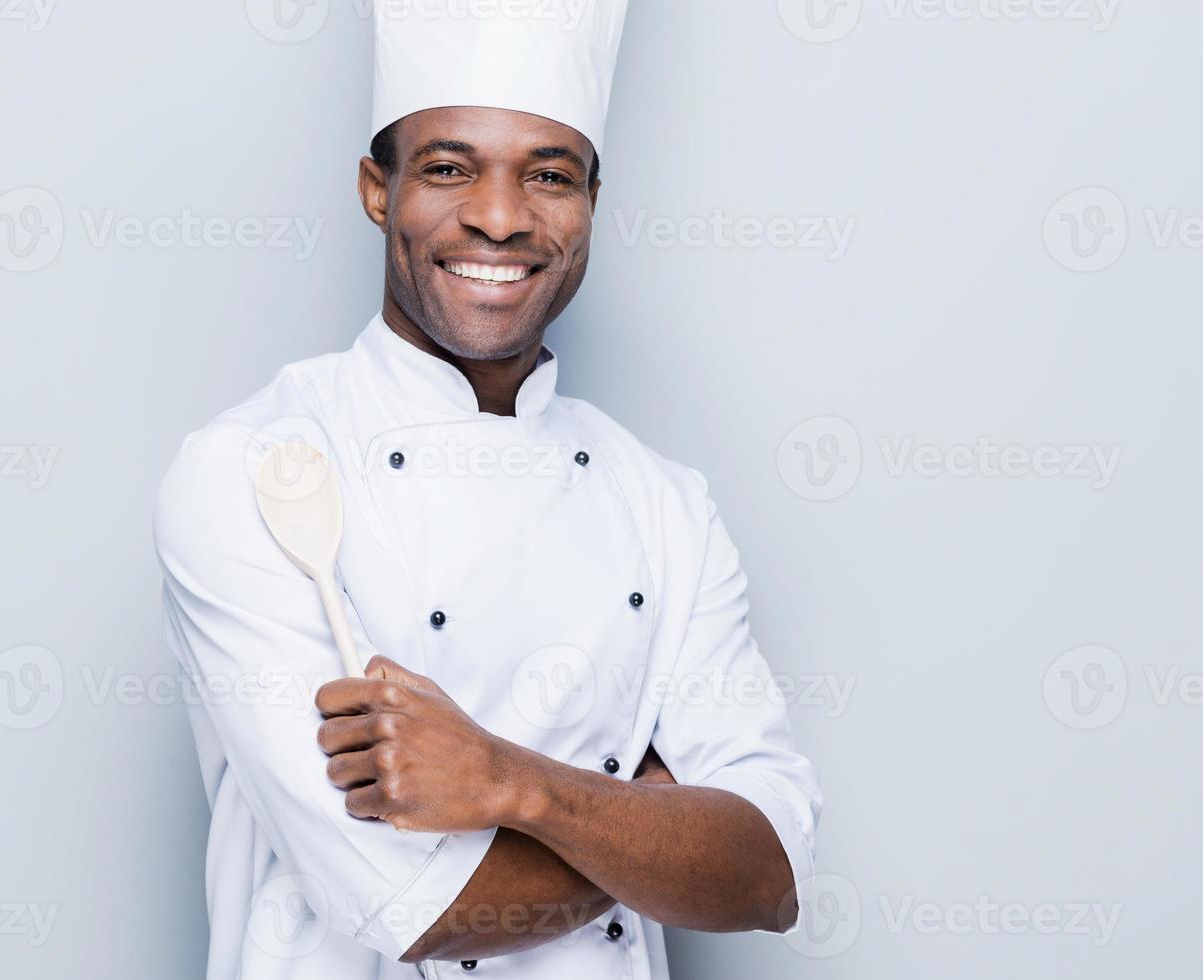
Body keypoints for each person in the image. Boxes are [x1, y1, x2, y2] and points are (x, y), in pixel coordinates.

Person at [153, 3, 822, 977]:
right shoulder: (251, 471)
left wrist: (511, 781)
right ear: (376, 189)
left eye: (547, 174)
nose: (500, 218)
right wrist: (654, 821)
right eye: (449, 167)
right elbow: (416, 909)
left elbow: (764, 879)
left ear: (593, 197)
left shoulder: (663, 503)